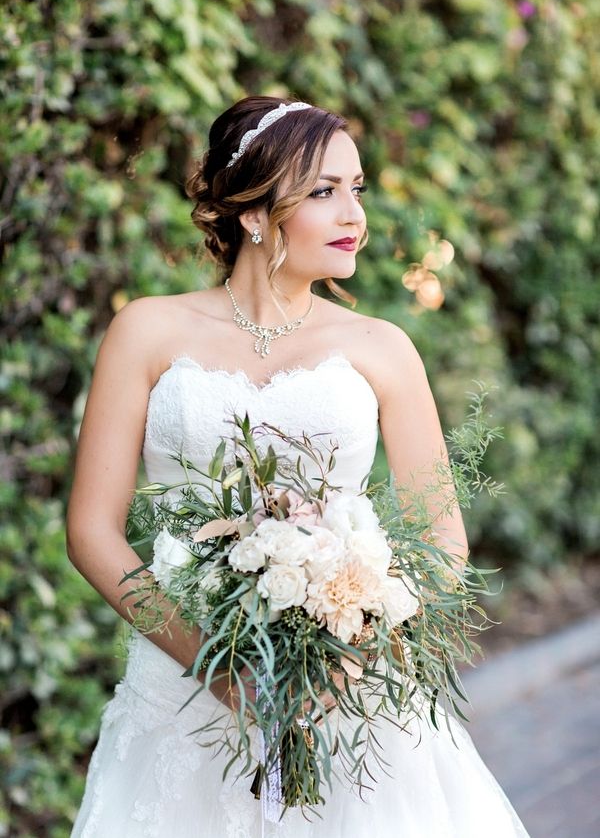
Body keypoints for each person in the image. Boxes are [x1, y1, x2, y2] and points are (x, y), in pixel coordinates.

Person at [67, 96, 530, 837]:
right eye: (323, 192)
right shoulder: (146, 330)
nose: (355, 216)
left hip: (355, 705)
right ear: (253, 212)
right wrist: (216, 669)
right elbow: (92, 530)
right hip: (179, 694)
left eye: (357, 190)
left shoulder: (383, 347)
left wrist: (342, 665)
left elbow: (444, 547)